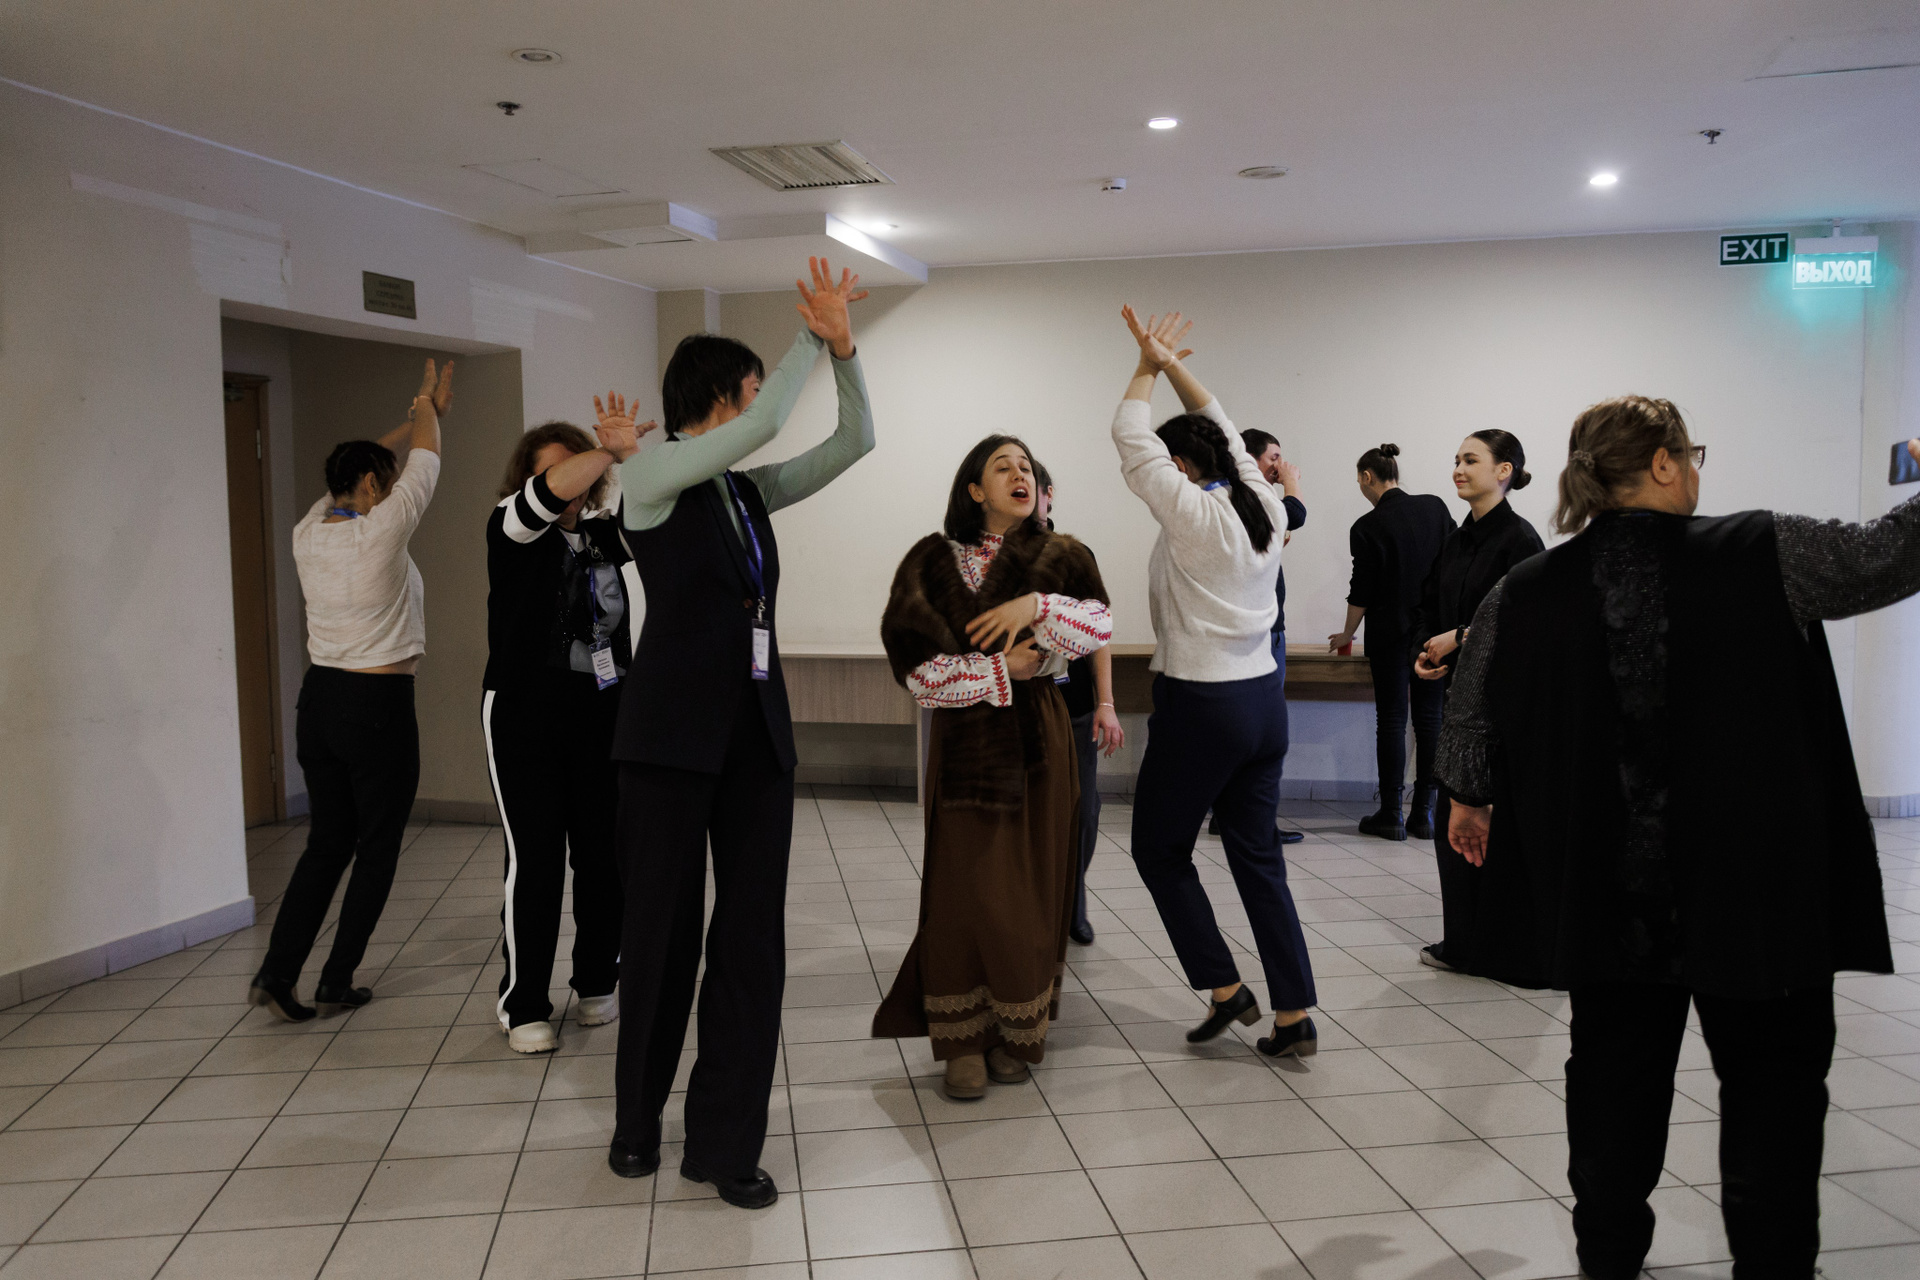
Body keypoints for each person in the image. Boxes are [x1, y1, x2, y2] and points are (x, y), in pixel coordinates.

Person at [1437, 401, 1920, 1280]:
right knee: (1774, 1099)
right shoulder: (1766, 550)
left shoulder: (1529, 586)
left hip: (1609, 898)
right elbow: (1892, 553)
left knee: (1613, 1094)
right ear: (1663, 464)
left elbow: (1471, 703)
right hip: (1756, 891)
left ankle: (1610, 1260)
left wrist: (1470, 797)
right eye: (1690, 453)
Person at [597, 258, 874, 1210]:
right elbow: (762, 425)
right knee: (660, 938)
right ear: (721, 396)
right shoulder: (649, 475)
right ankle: (637, 1123)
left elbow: (856, 441)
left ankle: (723, 1144)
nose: (763, 407)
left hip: (755, 740)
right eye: (755, 390)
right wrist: (810, 335)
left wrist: (846, 354)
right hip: (666, 743)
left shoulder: (743, 494)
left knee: (751, 944)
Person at [872, 439, 1111, 1100]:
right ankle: (961, 1040)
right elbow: (914, 670)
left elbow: (1096, 626)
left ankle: (1017, 1031)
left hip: (1040, 742)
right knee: (964, 891)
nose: (1019, 474)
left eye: (1026, 465)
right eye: (1003, 466)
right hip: (967, 744)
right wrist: (998, 669)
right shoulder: (931, 560)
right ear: (975, 490)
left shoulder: (1064, 555)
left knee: (1032, 889)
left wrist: (1036, 607)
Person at [1114, 307, 1318, 1058]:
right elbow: (1225, 426)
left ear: (1182, 467)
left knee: (1158, 849)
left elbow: (1131, 438)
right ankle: (1293, 1014)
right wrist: (1174, 367)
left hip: (1205, 702)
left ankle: (1227, 990)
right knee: (1258, 857)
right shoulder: (1263, 500)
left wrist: (1147, 366)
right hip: (1264, 703)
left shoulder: (1193, 513)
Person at [250, 358, 453, 1021]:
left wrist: (415, 420)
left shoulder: (309, 531)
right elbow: (425, 462)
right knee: (378, 847)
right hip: (376, 709)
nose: (390, 493)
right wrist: (426, 409)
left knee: (327, 843)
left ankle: (278, 972)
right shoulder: (382, 531)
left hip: (319, 706)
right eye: (382, 485)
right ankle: (337, 979)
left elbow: (370, 465)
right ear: (370, 486)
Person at [482, 417, 654, 1054]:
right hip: (524, 714)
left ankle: (598, 982)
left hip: (602, 712)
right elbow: (546, 497)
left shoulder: (606, 535)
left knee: (604, 855)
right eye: (553, 472)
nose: (570, 484)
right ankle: (524, 1002)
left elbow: (659, 508)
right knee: (536, 859)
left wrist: (631, 458)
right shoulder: (511, 525)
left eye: (578, 470)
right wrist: (604, 449)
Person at [1406, 430, 1543, 973]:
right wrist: (1426, 651)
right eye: (1456, 460)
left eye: (1471, 459)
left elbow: (1525, 625)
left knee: (1487, 825)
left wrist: (1459, 638)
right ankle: (1465, 943)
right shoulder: (1456, 538)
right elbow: (1427, 606)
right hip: (1457, 701)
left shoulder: (1521, 541)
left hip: (1499, 711)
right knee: (1455, 826)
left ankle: (1499, 946)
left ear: (1504, 470)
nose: (1458, 469)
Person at [1330, 442, 1454, 841]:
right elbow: (1453, 564)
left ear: (1367, 477)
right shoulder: (1435, 508)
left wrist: (1347, 633)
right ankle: (1424, 814)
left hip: (1389, 636)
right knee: (1430, 721)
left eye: (1359, 481)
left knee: (1392, 721)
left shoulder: (1366, 527)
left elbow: (1361, 590)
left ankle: (1390, 814)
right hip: (1434, 634)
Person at [1024, 462, 1123, 946]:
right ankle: (1034, 904)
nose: (1026, 495)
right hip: (1021, 702)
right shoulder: (997, 559)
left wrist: (1107, 701)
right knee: (1030, 809)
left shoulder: (1074, 554)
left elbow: (1100, 632)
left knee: (1083, 811)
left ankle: (1071, 898)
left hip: (1076, 703)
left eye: (1032, 485)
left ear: (1048, 494)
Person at [1240, 428, 1307, 846]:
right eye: (1274, 458)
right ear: (1250, 459)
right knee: (1262, 731)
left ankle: (1239, 815)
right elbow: (1295, 513)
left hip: (1265, 631)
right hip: (1263, 635)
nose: (1280, 466)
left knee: (1255, 730)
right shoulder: (1248, 496)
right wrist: (1292, 484)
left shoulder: (1250, 503)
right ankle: (1253, 821)